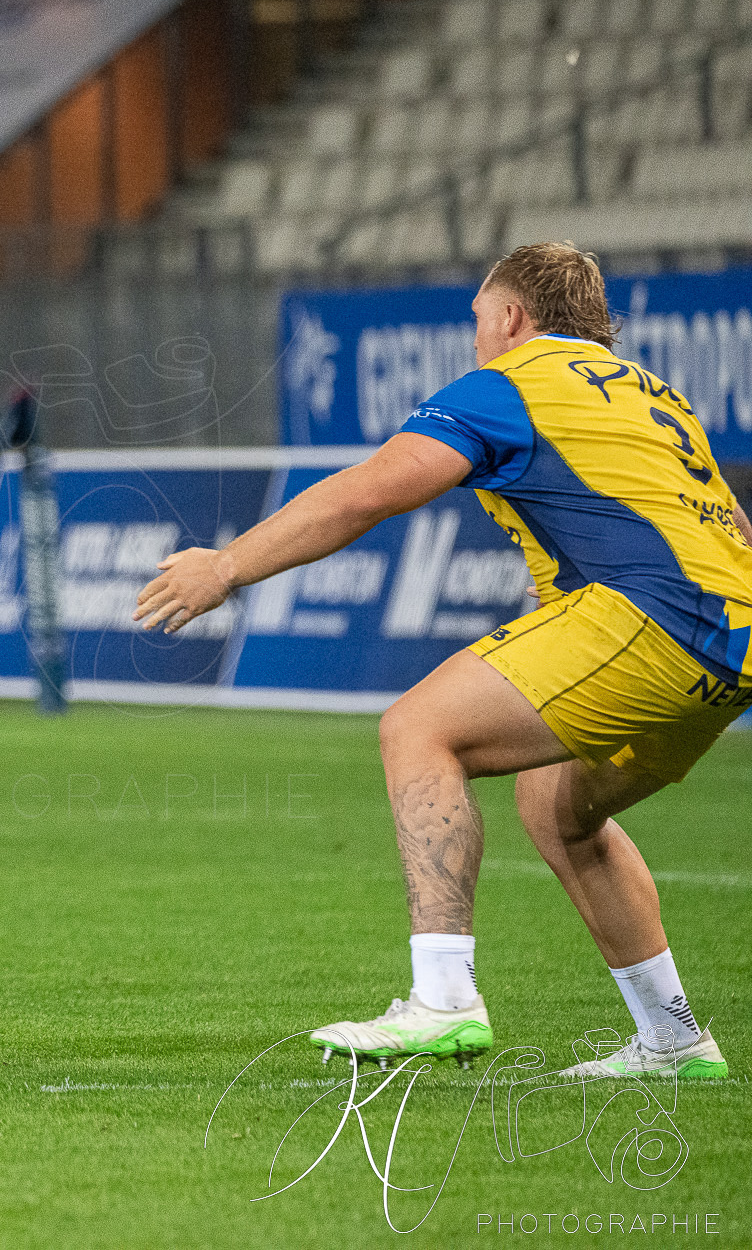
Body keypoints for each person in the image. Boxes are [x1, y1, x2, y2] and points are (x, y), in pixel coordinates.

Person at [135, 242, 736, 1079]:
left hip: (652, 617)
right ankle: (674, 1038)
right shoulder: (653, 397)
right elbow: (728, 530)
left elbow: (369, 491)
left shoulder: (509, 386)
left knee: (417, 728)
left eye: (479, 320)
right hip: (728, 647)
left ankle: (444, 999)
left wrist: (226, 566)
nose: (476, 339)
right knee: (559, 808)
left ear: (512, 316)